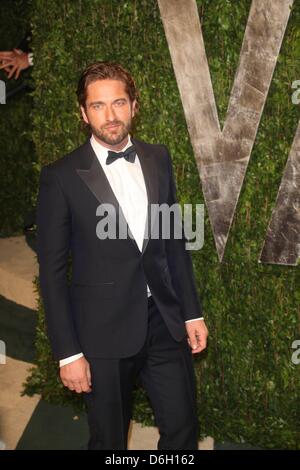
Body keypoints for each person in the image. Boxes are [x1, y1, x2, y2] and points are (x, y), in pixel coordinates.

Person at [36, 61, 208, 450]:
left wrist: (191, 311)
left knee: (183, 429)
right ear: (83, 113)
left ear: (134, 106)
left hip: (163, 320)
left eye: (118, 103)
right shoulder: (60, 176)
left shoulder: (158, 158)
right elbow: (51, 272)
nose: (110, 116)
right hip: (100, 332)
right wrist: (68, 353)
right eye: (98, 106)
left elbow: (173, 241)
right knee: (109, 440)